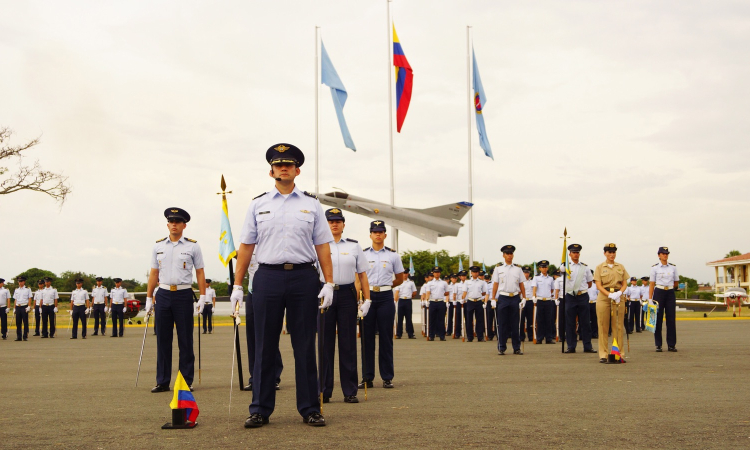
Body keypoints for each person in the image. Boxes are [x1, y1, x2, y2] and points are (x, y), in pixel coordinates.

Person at [231, 143, 334, 428]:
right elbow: (246, 245)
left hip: (304, 277)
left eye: (288, 164)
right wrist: (238, 284)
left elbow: (322, 245)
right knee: (263, 345)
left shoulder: (312, 204)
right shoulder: (258, 204)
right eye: (278, 164)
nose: (283, 168)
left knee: (304, 345)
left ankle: (310, 408)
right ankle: (260, 409)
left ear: (297, 170)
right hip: (267, 277)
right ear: (271, 171)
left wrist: (329, 282)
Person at [146, 207, 206, 393]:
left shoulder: (192, 246)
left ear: (184, 225)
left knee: (185, 339)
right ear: (167, 224)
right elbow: (154, 273)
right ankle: (162, 381)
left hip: (183, 294)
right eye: (171, 221)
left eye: (178, 221)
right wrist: (149, 297)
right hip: (163, 293)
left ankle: (185, 381)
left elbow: (200, 272)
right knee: (163, 339)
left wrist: (203, 296)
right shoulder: (158, 246)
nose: (174, 224)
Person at [320, 208, 369, 403]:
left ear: (343, 224)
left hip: (348, 294)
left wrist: (368, 299)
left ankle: (350, 390)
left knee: (348, 343)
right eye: (331, 221)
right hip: (325, 294)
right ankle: (324, 389)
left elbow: (363, 274)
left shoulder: (354, 246)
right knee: (325, 343)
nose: (334, 224)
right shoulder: (318, 245)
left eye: (338, 221)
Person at [360, 220, 405, 390]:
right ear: (370, 235)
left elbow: (400, 278)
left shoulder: (393, 255)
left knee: (386, 337)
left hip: (386, 296)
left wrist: (387, 287)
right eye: (375, 232)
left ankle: (387, 377)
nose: (378, 235)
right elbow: (359, 277)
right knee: (366, 338)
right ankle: (367, 377)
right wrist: (361, 298)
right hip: (368, 296)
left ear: (385, 235)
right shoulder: (363, 254)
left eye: (381, 232)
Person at [244, 253, 284, 393]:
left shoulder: (269, 248)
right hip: (252, 292)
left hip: (269, 293)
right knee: (253, 337)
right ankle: (254, 377)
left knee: (269, 335)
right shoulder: (249, 248)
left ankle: (274, 377)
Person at [593, 243, 630, 363]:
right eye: (609, 252)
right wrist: (609, 294)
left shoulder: (620, 267)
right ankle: (603, 354)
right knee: (603, 326)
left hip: (618, 297)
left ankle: (618, 353)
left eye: (613, 252)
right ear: (605, 253)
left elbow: (624, 283)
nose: (611, 254)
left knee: (618, 326)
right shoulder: (599, 267)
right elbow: (598, 285)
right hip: (604, 296)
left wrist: (619, 293)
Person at [559, 244, 596, 354]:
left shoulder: (585, 267)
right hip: (570, 296)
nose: (576, 254)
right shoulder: (565, 266)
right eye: (573, 252)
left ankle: (587, 346)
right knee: (570, 322)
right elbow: (561, 271)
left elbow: (590, 283)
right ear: (569, 254)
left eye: (577, 252)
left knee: (585, 322)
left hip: (583, 296)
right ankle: (571, 346)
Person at [491, 245, 526, 355]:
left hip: (515, 297)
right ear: (503, 255)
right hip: (503, 297)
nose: (509, 255)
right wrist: (493, 298)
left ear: (513, 255)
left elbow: (521, 284)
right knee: (502, 324)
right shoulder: (498, 268)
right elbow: (495, 284)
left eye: (511, 253)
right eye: (507, 253)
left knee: (515, 324)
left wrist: (524, 298)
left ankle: (516, 348)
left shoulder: (518, 269)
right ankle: (502, 347)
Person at [649, 247, 679, 352]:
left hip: (670, 292)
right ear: (659, 255)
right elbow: (652, 283)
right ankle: (658, 344)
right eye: (663, 253)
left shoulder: (673, 267)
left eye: (666, 253)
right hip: (659, 291)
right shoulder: (655, 268)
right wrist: (650, 298)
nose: (665, 255)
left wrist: (671, 288)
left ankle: (671, 344)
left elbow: (676, 282)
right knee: (658, 319)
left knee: (671, 319)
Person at [531, 261, 556, 344]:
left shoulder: (551, 278)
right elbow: (534, 287)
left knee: (549, 319)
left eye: (545, 267)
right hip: (540, 300)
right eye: (542, 267)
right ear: (539, 268)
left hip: (548, 300)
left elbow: (552, 289)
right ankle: (540, 338)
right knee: (540, 320)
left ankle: (549, 338)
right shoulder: (536, 277)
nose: (544, 269)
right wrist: (534, 296)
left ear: (547, 268)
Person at [462, 266, 487, 342]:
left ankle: (480, 336)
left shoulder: (482, 282)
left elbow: (484, 292)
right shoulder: (467, 282)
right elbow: (465, 292)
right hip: (470, 301)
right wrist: (462, 299)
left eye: (476, 272)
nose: (475, 273)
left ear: (478, 273)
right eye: (474, 272)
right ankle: (470, 337)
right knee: (469, 320)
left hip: (479, 301)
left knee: (480, 320)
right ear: (471, 273)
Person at [425, 267, 450, 341]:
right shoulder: (430, 283)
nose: (437, 273)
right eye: (435, 272)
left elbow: (447, 292)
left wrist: (446, 299)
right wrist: (427, 300)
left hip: (441, 302)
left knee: (441, 320)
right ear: (433, 273)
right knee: (432, 320)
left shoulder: (444, 283)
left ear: (440, 273)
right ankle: (431, 336)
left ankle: (442, 336)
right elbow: (428, 292)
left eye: (438, 272)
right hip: (432, 301)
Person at [394, 274, 417, 339]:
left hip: (408, 300)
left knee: (409, 318)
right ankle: (399, 334)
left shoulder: (411, 283)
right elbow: (396, 292)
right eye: (404, 273)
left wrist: (410, 296)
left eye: (406, 273)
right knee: (400, 318)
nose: (405, 275)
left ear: (408, 274)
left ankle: (411, 334)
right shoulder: (399, 282)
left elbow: (414, 292)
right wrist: (395, 301)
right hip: (401, 300)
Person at [12, 276, 32, 341]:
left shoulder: (28, 289)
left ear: (24, 282)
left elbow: (29, 298)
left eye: (21, 281)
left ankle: (25, 336)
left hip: (24, 306)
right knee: (18, 322)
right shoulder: (16, 290)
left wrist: (29, 306)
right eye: (19, 281)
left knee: (25, 322)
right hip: (18, 306)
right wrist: (14, 308)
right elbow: (15, 299)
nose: (20, 283)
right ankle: (19, 336)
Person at [519, 267, 534, 342]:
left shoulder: (532, 282)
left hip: (530, 301)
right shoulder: (520, 282)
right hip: (522, 301)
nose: (526, 274)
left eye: (527, 273)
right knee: (521, 319)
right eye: (525, 273)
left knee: (530, 319)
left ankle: (530, 336)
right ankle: (521, 336)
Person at [483, 273, 496, 340]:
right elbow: (487, 294)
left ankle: (498, 334)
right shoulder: (489, 284)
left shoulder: (501, 283)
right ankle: (490, 334)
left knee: (499, 319)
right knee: (489, 319)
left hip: (498, 301)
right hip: (490, 301)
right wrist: (485, 302)